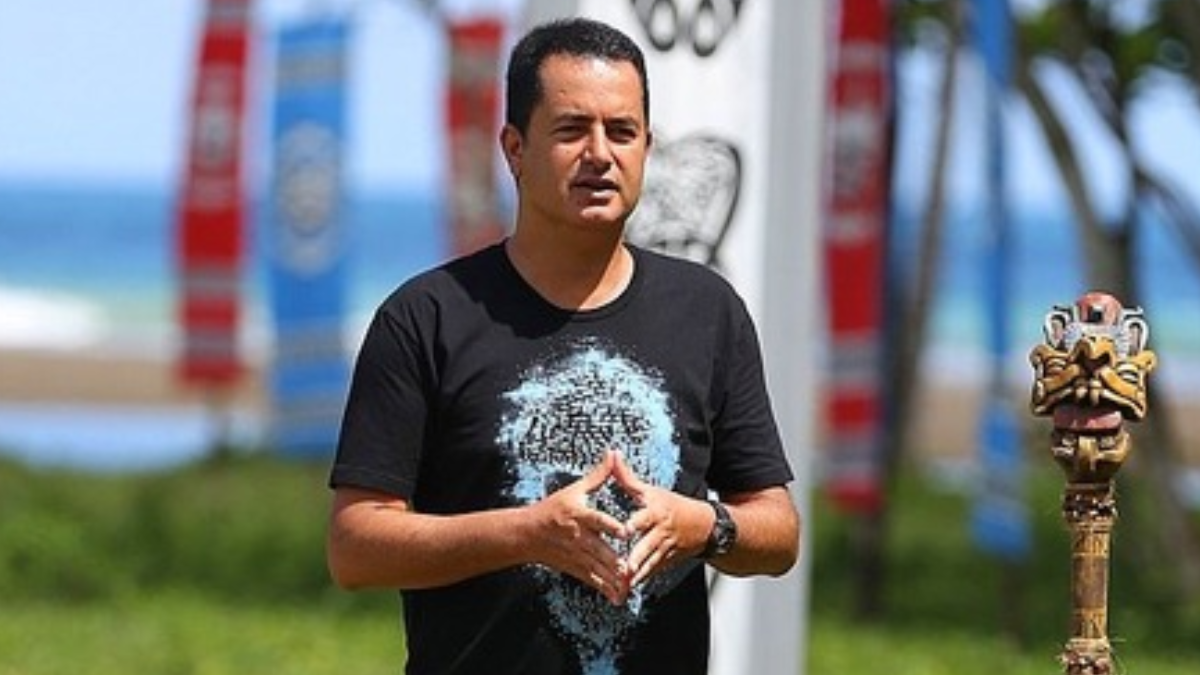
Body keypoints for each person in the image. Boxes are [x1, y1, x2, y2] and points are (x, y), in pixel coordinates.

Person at [326, 16, 800, 675]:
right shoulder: (426, 318)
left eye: (622, 131)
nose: (600, 154)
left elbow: (778, 529)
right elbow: (355, 547)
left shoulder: (707, 311)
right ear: (514, 148)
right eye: (572, 129)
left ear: (647, 147)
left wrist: (702, 525)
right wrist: (527, 531)